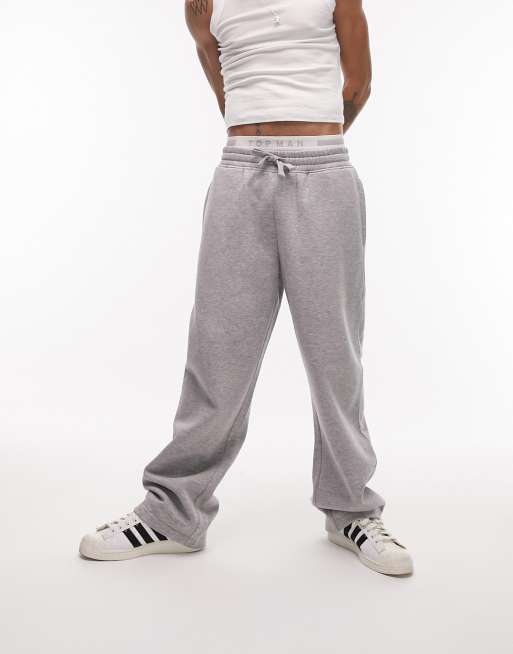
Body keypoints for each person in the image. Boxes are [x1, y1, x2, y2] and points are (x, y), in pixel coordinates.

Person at [80, 0, 413, 576]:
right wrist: (263, 136)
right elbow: (227, 92)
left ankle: (351, 511)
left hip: (323, 171)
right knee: (217, 351)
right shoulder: (202, 4)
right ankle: (172, 514)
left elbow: (357, 85)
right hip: (240, 172)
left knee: (335, 355)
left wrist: (307, 141)